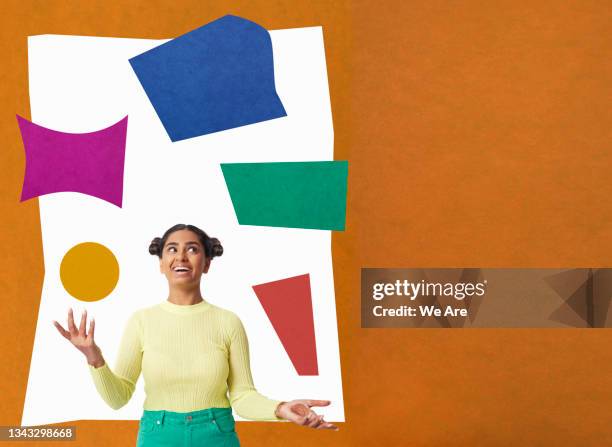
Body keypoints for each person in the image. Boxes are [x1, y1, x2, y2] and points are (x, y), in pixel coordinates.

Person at [53, 223, 338, 446]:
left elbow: (242, 396)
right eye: (172, 249)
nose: (181, 256)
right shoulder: (141, 321)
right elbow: (118, 398)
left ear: (207, 263)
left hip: (216, 434)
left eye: (192, 249)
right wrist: (94, 357)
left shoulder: (228, 322)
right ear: (161, 264)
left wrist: (281, 408)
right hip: (158, 435)